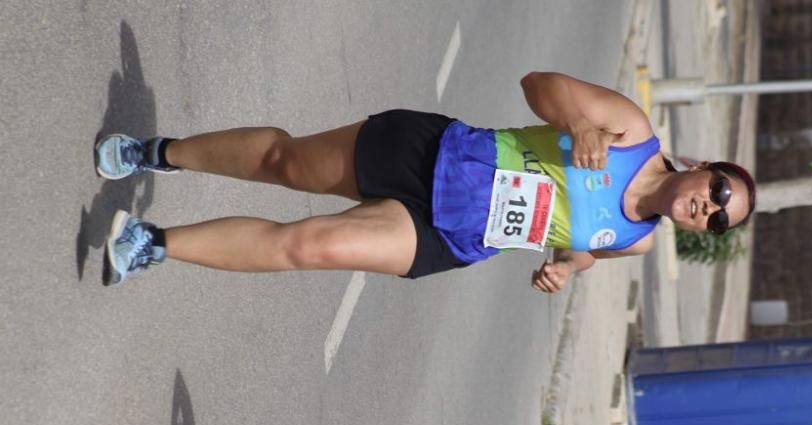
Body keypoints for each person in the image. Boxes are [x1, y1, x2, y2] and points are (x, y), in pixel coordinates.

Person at [95, 72, 755, 289]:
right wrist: (578, 123)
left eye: (720, 220)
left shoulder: (636, 240)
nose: (711, 209)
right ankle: (159, 151)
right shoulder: (631, 131)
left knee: (309, 246)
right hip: (436, 154)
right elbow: (538, 85)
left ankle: (152, 244)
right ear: (706, 168)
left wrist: (566, 267)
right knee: (287, 164)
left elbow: (579, 247)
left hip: (453, 234)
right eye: (721, 192)